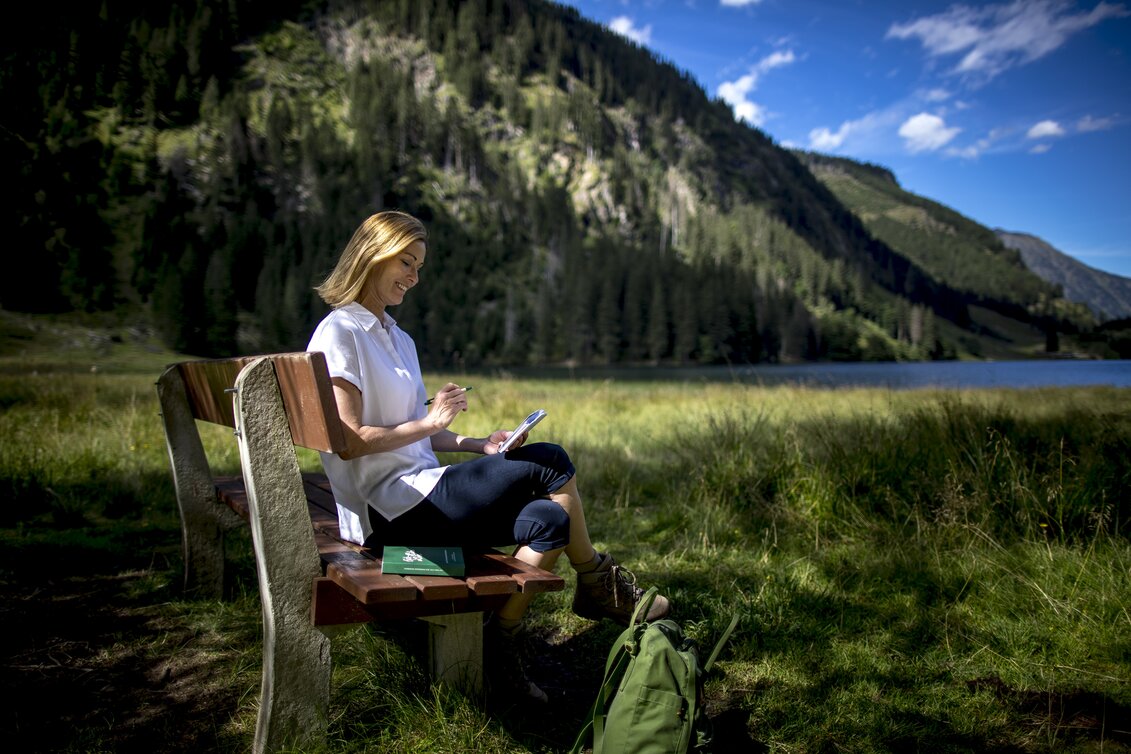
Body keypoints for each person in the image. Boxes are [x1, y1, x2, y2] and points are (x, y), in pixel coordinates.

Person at [306, 210, 671, 702]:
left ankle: (499, 646)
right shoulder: (340, 331)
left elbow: (414, 437)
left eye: (419, 266)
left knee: (549, 519)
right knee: (550, 460)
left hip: (419, 502)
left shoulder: (398, 337)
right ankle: (597, 579)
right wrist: (432, 420)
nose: (414, 277)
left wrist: (479, 445)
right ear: (374, 254)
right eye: (406, 262)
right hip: (384, 518)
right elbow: (348, 439)